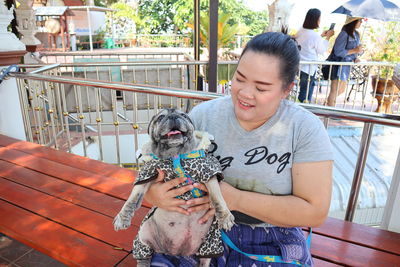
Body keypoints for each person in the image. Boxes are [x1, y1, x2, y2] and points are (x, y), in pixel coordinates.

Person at [144, 32, 334, 267]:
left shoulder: (304, 129)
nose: (244, 93)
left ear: (287, 90)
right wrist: (156, 194)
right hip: (197, 227)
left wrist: (235, 199)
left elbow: (314, 212)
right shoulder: (203, 116)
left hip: (271, 237)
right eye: (240, 78)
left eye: (261, 88)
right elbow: (157, 172)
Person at [295, 8, 334, 103]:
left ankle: (303, 108)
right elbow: (322, 50)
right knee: (306, 91)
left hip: (299, 65)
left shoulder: (301, 30)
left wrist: (321, 36)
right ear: (316, 20)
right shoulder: (314, 36)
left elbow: (308, 44)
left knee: (304, 88)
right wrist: (328, 37)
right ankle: (304, 110)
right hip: (309, 68)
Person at [326, 16, 364, 106]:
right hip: (338, 65)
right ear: (353, 21)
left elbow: (358, 50)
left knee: (341, 90)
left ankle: (328, 104)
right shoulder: (344, 34)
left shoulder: (357, 34)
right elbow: (338, 51)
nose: (361, 22)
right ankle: (330, 111)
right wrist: (354, 50)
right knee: (334, 90)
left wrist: (356, 56)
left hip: (346, 67)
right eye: (360, 20)